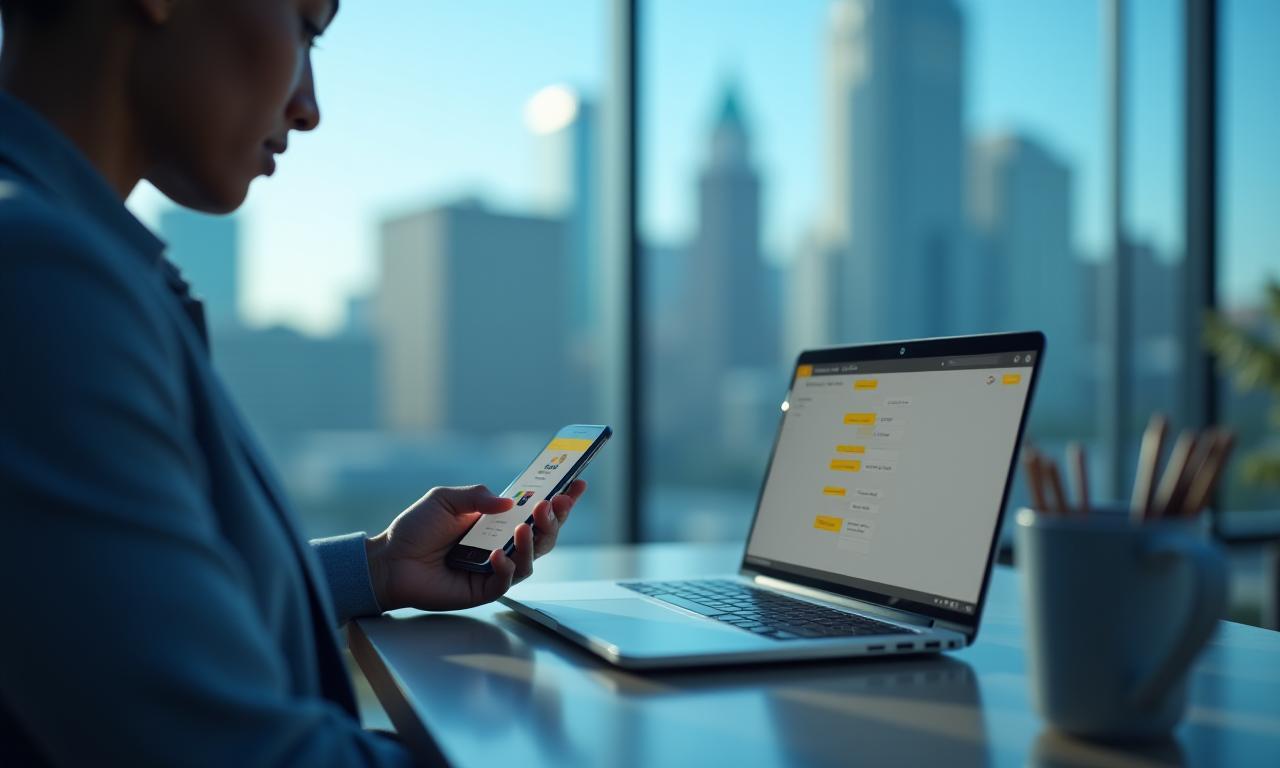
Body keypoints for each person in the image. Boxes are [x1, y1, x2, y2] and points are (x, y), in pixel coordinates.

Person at [0, 1, 585, 765]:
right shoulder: (41, 280)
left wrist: (377, 567)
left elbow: (107, 617)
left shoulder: (61, 257)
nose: (308, 108)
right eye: (306, 28)